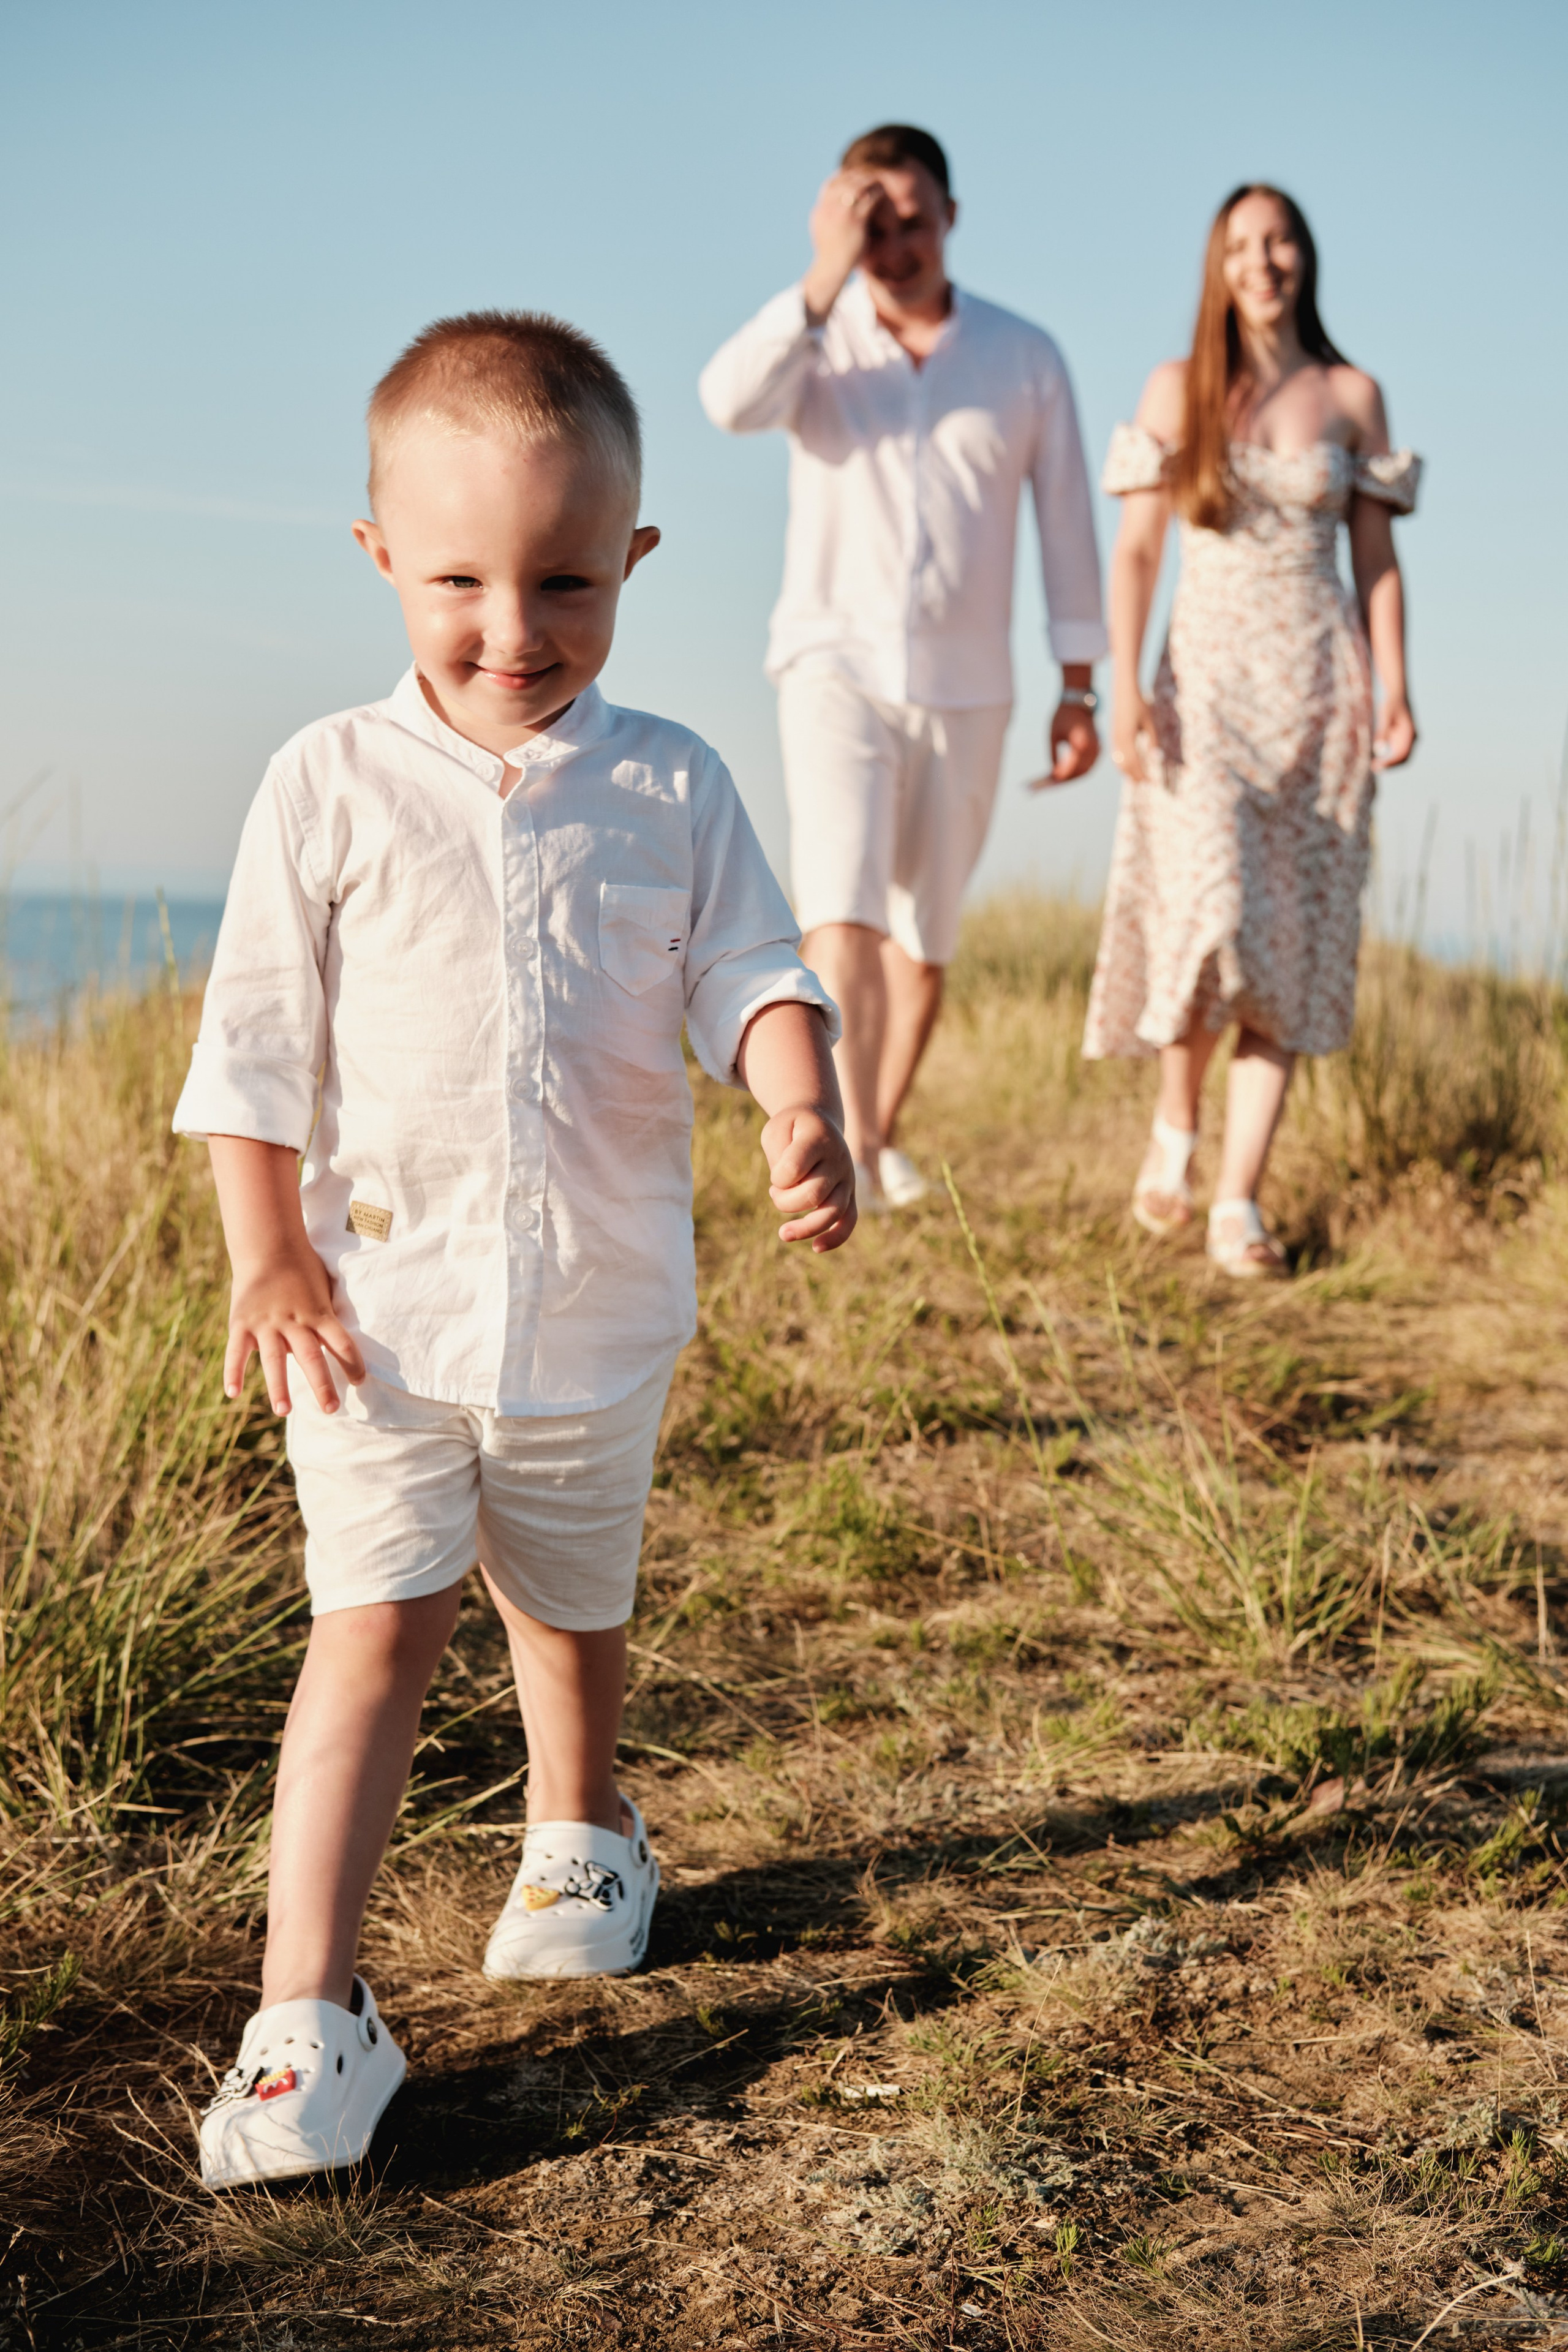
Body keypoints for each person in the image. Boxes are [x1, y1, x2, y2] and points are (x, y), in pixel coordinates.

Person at [173, 311, 855, 2188]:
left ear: (634, 556)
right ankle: (308, 2014)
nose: (513, 628)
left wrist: (798, 1098)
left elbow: (751, 969)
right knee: (373, 1626)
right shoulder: (325, 782)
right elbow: (253, 1047)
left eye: (566, 581)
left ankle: (584, 1828)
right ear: (381, 551)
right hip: (371, 1319)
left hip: (597, 1305)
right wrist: (265, 1255)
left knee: (568, 1598)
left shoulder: (672, 784)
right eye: (461, 580)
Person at [699, 123, 1106, 1211]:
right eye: (871, 222)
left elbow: (1069, 523)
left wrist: (1079, 685)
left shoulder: (1025, 356)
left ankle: (878, 1136)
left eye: (912, 219)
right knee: (843, 907)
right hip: (831, 663)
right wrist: (822, 272)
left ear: (951, 216)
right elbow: (726, 401)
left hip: (972, 685)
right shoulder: (814, 340)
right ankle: (838, 1146)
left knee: (926, 934)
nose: (894, 243)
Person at [1084, 184, 1420, 1275]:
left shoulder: (1354, 395)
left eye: (1279, 242)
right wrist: (1124, 688)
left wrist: (1396, 687)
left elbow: (1377, 562)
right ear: (1217, 265)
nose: (1262, 262)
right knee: (1211, 913)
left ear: (1304, 255)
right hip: (1206, 688)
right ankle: (1176, 1130)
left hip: (1322, 695)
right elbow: (1139, 551)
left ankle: (1239, 1201)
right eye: (1241, 245)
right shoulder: (1177, 387)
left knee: (1290, 944)